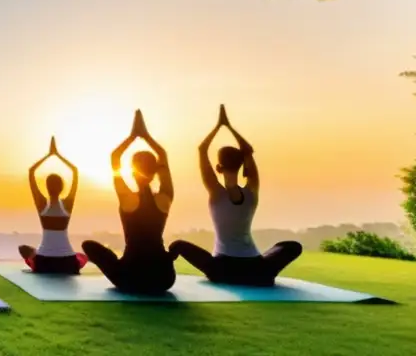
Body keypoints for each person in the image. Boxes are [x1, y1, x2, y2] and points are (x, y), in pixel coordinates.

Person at [169, 104, 302, 286]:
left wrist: (220, 125)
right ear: (241, 166)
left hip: (223, 269)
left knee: (177, 245)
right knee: (292, 246)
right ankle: (257, 273)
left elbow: (202, 150)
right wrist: (230, 127)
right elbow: (247, 151)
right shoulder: (252, 190)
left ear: (218, 168)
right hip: (257, 270)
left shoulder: (216, 193)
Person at [81, 110, 176, 295]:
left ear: (133, 171)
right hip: (164, 278)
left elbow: (114, 158)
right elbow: (163, 156)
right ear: (156, 171)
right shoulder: (165, 198)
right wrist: (147, 136)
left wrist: (133, 136)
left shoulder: (127, 198)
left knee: (88, 246)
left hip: (131, 277)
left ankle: (121, 261)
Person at [18, 136, 88, 274]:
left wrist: (48, 155)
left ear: (46, 186)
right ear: (62, 187)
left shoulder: (42, 204)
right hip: (68, 264)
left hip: (44, 263)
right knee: (82, 256)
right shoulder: (67, 204)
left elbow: (31, 172)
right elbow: (75, 171)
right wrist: (58, 155)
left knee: (23, 248)